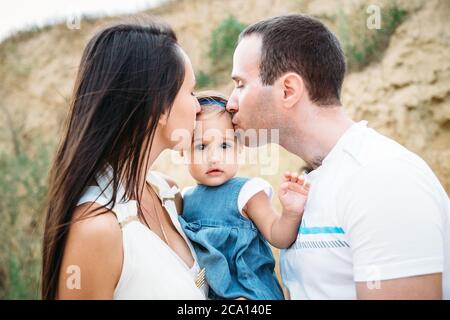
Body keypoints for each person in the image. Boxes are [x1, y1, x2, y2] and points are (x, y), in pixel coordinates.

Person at [226, 14, 449, 299]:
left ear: (288, 90)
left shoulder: (382, 177)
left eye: (240, 84)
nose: (230, 103)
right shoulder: (317, 179)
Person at [41, 20, 207, 299]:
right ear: (159, 106)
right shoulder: (97, 229)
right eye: (190, 92)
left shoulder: (167, 193)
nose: (198, 106)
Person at [178, 91, 310, 299]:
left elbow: (278, 236)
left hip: (251, 292)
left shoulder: (247, 193)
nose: (214, 158)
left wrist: (291, 213)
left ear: (239, 149)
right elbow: (200, 261)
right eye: (201, 146)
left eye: (225, 145)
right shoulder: (184, 199)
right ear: (182, 152)